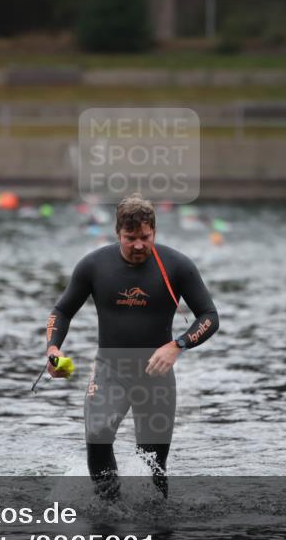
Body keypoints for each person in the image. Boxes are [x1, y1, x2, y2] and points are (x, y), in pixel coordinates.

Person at [44, 195, 219, 499]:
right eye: (130, 238)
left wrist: (178, 345)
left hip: (156, 377)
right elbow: (62, 311)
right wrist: (53, 349)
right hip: (111, 370)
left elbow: (210, 317)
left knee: (153, 465)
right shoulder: (94, 265)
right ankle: (107, 513)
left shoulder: (177, 266)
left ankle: (155, 535)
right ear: (117, 233)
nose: (138, 245)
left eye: (145, 237)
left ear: (154, 232)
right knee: (98, 435)